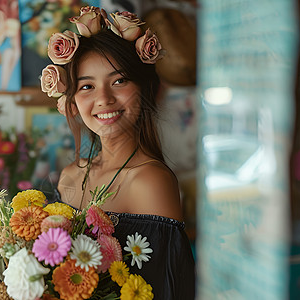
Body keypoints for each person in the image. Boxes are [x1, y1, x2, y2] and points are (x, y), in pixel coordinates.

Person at [40, 6, 195, 299]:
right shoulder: (69, 176)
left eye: (119, 81)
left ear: (144, 88)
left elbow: (165, 291)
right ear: (71, 101)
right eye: (87, 86)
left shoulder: (150, 181)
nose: (104, 99)